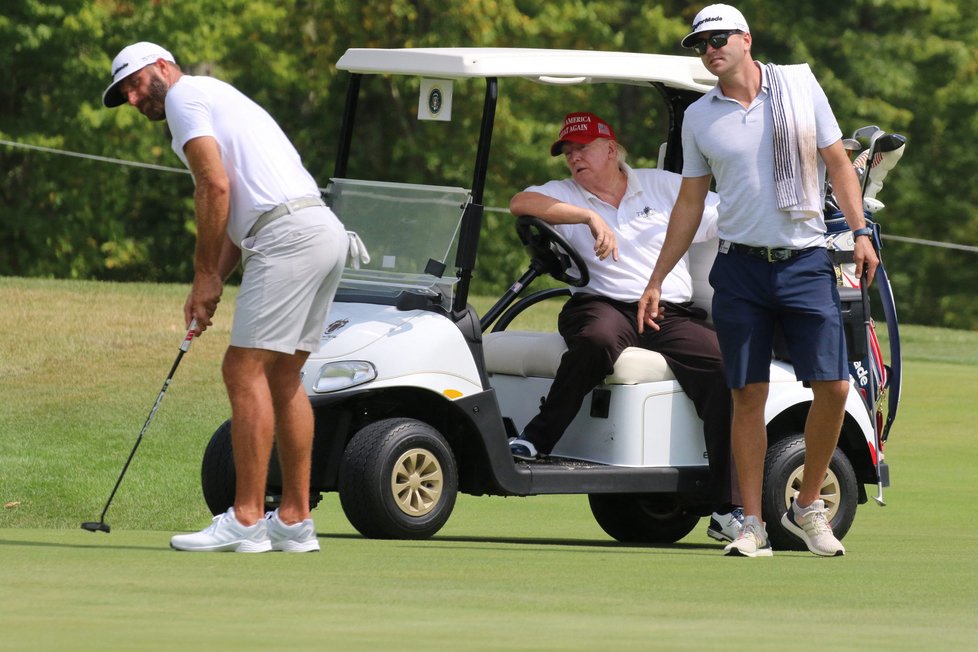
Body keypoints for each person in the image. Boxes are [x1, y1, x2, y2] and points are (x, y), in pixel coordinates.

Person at [638, 5, 880, 557]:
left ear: (746, 39)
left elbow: (839, 165)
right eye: (700, 44)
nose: (709, 50)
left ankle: (808, 502)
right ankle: (752, 523)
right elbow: (690, 202)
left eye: (718, 39)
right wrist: (657, 278)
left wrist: (861, 233)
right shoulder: (700, 117)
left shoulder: (799, 87)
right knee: (748, 395)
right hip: (741, 268)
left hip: (804, 260)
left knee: (834, 387)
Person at [103, 42, 348, 552]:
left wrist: (202, 276)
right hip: (321, 231)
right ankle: (295, 521)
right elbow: (236, 206)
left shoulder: (183, 99)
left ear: (163, 67)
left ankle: (246, 519)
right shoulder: (216, 98)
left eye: (134, 83)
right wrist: (210, 283)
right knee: (283, 375)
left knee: (242, 370)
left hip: (287, 237)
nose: (132, 98)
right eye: (124, 92)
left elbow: (214, 188)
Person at [508, 112, 743, 542]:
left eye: (583, 148)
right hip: (601, 305)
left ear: (611, 148)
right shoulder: (564, 194)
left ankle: (727, 507)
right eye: (568, 152)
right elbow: (521, 203)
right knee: (595, 340)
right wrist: (587, 217)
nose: (574, 158)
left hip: (666, 311)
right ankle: (536, 440)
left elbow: (724, 215)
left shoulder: (663, 185)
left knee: (725, 368)